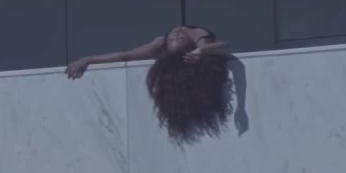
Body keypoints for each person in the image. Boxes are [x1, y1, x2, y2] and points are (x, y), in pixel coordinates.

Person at [66, 26, 233, 145]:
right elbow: (126, 56)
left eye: (178, 38)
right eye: (174, 37)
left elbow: (224, 46)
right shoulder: (193, 37)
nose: (175, 34)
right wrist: (88, 59)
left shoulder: (195, 36)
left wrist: (202, 51)